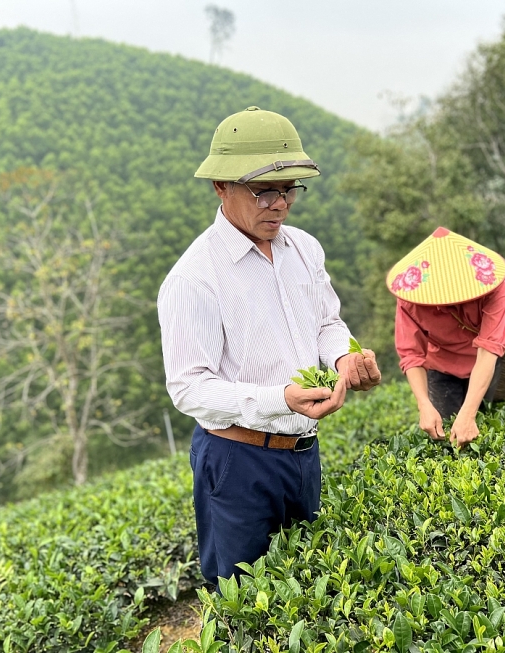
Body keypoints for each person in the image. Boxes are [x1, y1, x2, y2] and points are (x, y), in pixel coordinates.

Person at [158, 106, 381, 587]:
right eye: (263, 191)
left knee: (307, 583)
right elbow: (189, 388)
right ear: (221, 186)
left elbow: (326, 321)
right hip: (237, 461)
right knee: (240, 597)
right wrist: (279, 399)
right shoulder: (195, 278)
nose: (279, 205)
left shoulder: (303, 249)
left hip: (303, 452)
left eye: (288, 190)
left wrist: (344, 357)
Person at [387, 227, 505, 448]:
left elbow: (489, 349)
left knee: (482, 420)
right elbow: (411, 354)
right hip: (441, 364)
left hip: (484, 361)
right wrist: (423, 404)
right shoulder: (410, 299)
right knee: (446, 437)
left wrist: (468, 414)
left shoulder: (494, 287)